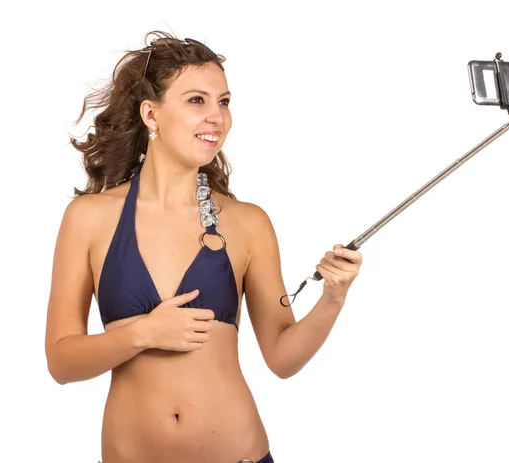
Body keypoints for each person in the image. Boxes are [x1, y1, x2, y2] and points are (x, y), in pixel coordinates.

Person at [45, 30, 362, 463]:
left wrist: (332, 298)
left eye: (224, 102)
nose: (217, 116)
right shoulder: (89, 219)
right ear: (151, 114)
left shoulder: (248, 222)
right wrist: (143, 333)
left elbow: (282, 359)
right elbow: (62, 361)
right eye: (197, 100)